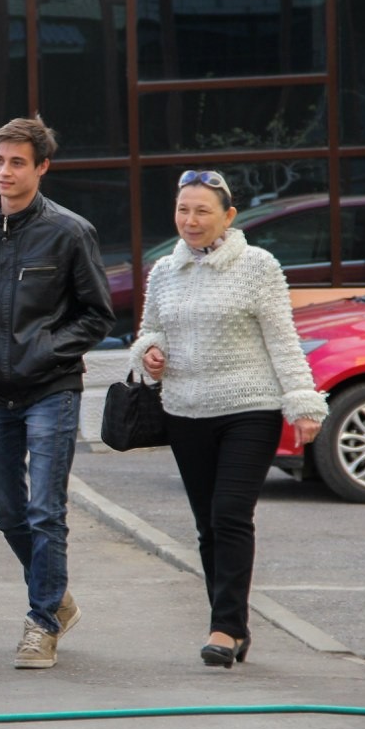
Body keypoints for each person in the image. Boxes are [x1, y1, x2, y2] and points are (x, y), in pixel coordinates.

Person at [130, 169, 327, 668]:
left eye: (202, 211)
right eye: (183, 210)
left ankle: (226, 627)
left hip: (249, 409)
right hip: (185, 412)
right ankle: (230, 624)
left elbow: (284, 340)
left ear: (228, 217)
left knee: (230, 514)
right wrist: (149, 352)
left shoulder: (258, 266)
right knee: (207, 525)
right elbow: (149, 330)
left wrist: (303, 404)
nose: (191, 221)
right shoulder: (164, 270)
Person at [0, 115, 114, 669]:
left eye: (18, 162)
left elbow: (98, 315)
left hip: (52, 389)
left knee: (46, 509)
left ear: (42, 167)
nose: (5, 172)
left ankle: (41, 621)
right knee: (5, 510)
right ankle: (58, 596)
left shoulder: (70, 232)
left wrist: (45, 350)